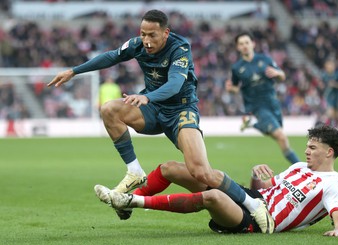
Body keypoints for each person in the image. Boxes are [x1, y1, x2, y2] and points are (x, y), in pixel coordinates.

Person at [47, 9, 270, 232]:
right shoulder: (137, 44)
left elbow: (174, 84)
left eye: (152, 35)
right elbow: (112, 56)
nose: (146, 40)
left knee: (201, 172)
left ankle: (254, 204)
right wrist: (74, 71)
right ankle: (134, 172)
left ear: (166, 32)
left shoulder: (180, 49)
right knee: (109, 109)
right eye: (143, 34)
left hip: (181, 111)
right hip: (153, 109)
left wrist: (146, 96)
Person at [95, 125, 338, 237]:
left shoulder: (333, 183)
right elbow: (265, 189)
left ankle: (132, 200)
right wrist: (256, 175)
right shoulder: (298, 167)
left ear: (329, 152)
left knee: (213, 196)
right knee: (171, 168)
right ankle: (125, 207)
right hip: (252, 200)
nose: (307, 151)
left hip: (263, 222)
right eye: (307, 146)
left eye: (313, 148)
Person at [225, 32, 299, 165]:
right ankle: (303, 170)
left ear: (253, 44)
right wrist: (230, 89)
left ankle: (252, 124)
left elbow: (282, 76)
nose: (245, 46)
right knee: (282, 138)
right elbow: (235, 88)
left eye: (247, 42)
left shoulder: (265, 59)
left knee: (276, 135)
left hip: (273, 103)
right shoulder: (237, 68)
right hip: (257, 106)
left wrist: (277, 73)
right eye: (241, 44)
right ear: (238, 47)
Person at [318, 58, 338, 128]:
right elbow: (321, 84)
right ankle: (327, 129)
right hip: (329, 96)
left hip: (337, 97)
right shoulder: (324, 74)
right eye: (327, 66)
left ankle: (336, 129)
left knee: (336, 114)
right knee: (330, 113)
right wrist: (321, 85)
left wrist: (334, 84)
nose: (329, 67)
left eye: (330, 65)